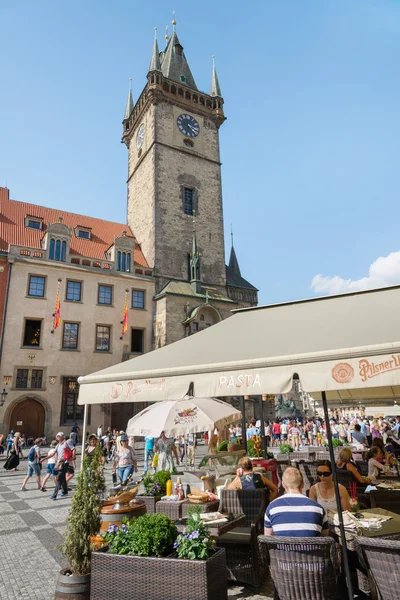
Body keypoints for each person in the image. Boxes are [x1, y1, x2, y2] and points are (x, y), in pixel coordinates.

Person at [264, 467, 329, 537]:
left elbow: (268, 537)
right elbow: (324, 537)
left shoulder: (272, 508)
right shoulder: (318, 509)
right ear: (303, 484)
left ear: (283, 484)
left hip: (282, 548)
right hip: (310, 548)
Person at [48, 432, 76, 500]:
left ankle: (54, 494)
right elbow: (54, 453)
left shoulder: (67, 442)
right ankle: (65, 491)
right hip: (59, 463)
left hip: (65, 463)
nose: (58, 437)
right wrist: (44, 459)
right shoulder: (58, 445)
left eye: (59, 436)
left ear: (63, 437)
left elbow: (73, 449)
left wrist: (73, 456)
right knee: (63, 477)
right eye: (57, 436)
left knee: (59, 478)